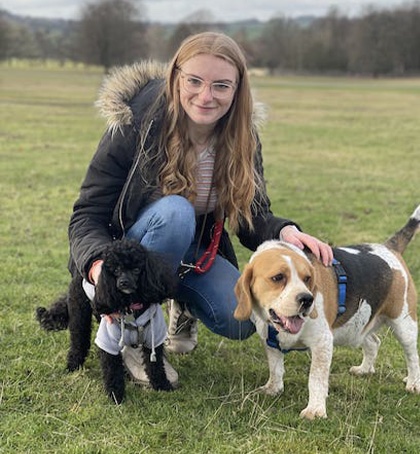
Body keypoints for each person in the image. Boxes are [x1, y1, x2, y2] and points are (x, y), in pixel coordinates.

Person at [68, 31, 333, 387]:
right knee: (175, 213)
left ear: (238, 89)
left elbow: (253, 215)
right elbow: (87, 213)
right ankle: (131, 334)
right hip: (128, 253)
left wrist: (286, 231)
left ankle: (181, 307)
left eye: (221, 86)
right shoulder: (136, 123)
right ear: (176, 77)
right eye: (194, 81)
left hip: (193, 252)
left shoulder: (243, 136)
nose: (206, 96)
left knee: (241, 316)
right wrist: (99, 266)